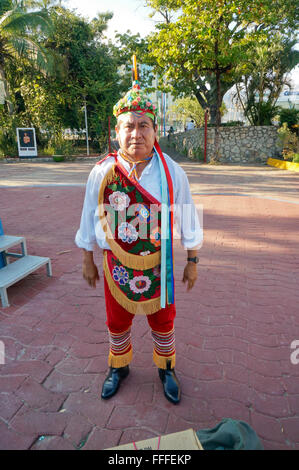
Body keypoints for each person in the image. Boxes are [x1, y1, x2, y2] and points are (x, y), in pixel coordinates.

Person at [75, 80, 203, 405]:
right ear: (117, 132)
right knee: (116, 320)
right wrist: (87, 259)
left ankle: (167, 368)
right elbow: (90, 216)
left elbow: (187, 217)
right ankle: (119, 367)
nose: (136, 134)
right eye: (129, 126)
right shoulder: (102, 172)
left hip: (160, 265)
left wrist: (193, 260)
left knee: (164, 319)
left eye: (143, 125)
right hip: (115, 265)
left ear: (155, 130)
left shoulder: (172, 172)